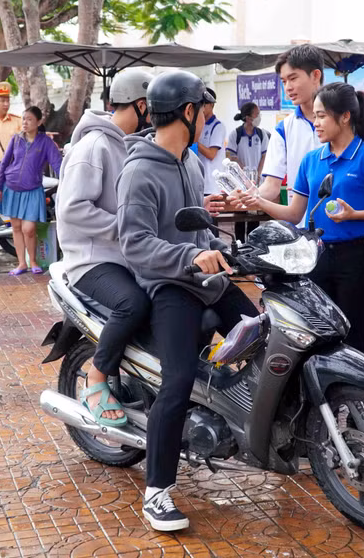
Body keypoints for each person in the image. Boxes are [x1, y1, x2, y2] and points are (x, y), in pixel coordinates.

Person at [116, 70, 259, 532]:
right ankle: (157, 491)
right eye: (205, 109)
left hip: (208, 281)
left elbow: (193, 222)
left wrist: (220, 233)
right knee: (176, 383)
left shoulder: (191, 161)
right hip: (171, 287)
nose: (209, 118)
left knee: (268, 335)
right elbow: (134, 243)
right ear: (188, 112)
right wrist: (192, 255)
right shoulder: (139, 171)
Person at [237, 82, 364, 354]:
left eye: (322, 115)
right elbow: (294, 213)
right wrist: (259, 202)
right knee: (319, 331)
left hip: (356, 257)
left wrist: (354, 215)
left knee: (354, 331)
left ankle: (361, 394)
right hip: (317, 255)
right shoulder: (311, 160)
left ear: (345, 116)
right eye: (315, 116)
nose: (316, 123)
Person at [58, 69, 154, 427]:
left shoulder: (128, 143)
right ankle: (97, 377)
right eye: (154, 109)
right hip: (91, 261)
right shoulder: (94, 146)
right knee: (133, 303)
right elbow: (72, 208)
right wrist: (124, 228)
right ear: (141, 105)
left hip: (124, 258)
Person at [257, 44, 324, 221]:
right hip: (302, 230)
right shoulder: (283, 129)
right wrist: (249, 196)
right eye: (284, 81)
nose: (288, 87)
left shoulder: (343, 122)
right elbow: (271, 187)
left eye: (293, 78)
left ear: (316, 75)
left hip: (343, 228)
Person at [0, 106, 63, 276]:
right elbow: (5, 164)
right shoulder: (16, 139)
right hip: (11, 188)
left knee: (29, 229)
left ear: (39, 122)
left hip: (33, 190)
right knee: (16, 227)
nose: (25, 122)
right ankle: (21, 264)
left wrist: (68, 178)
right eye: (24, 118)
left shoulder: (46, 142)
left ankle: (33, 261)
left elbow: (57, 164)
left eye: (29, 119)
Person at [227, 101, 270, 241]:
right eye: (256, 114)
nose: (259, 117)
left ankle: (252, 243)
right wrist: (243, 173)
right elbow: (231, 156)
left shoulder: (261, 134)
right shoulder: (236, 134)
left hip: (256, 180)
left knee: (254, 212)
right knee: (240, 213)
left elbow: (264, 156)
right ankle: (239, 244)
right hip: (239, 180)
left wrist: (258, 173)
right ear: (248, 118)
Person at [195, 87, 225, 196]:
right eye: (200, 105)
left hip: (212, 186)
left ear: (212, 105)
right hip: (201, 183)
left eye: (204, 105)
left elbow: (211, 154)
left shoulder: (217, 126)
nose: (201, 108)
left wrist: (193, 140)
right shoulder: (199, 125)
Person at [0, 82, 23, 167]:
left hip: (13, 170)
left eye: (8, 101)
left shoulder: (18, 121)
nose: (6, 104)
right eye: (2, 101)